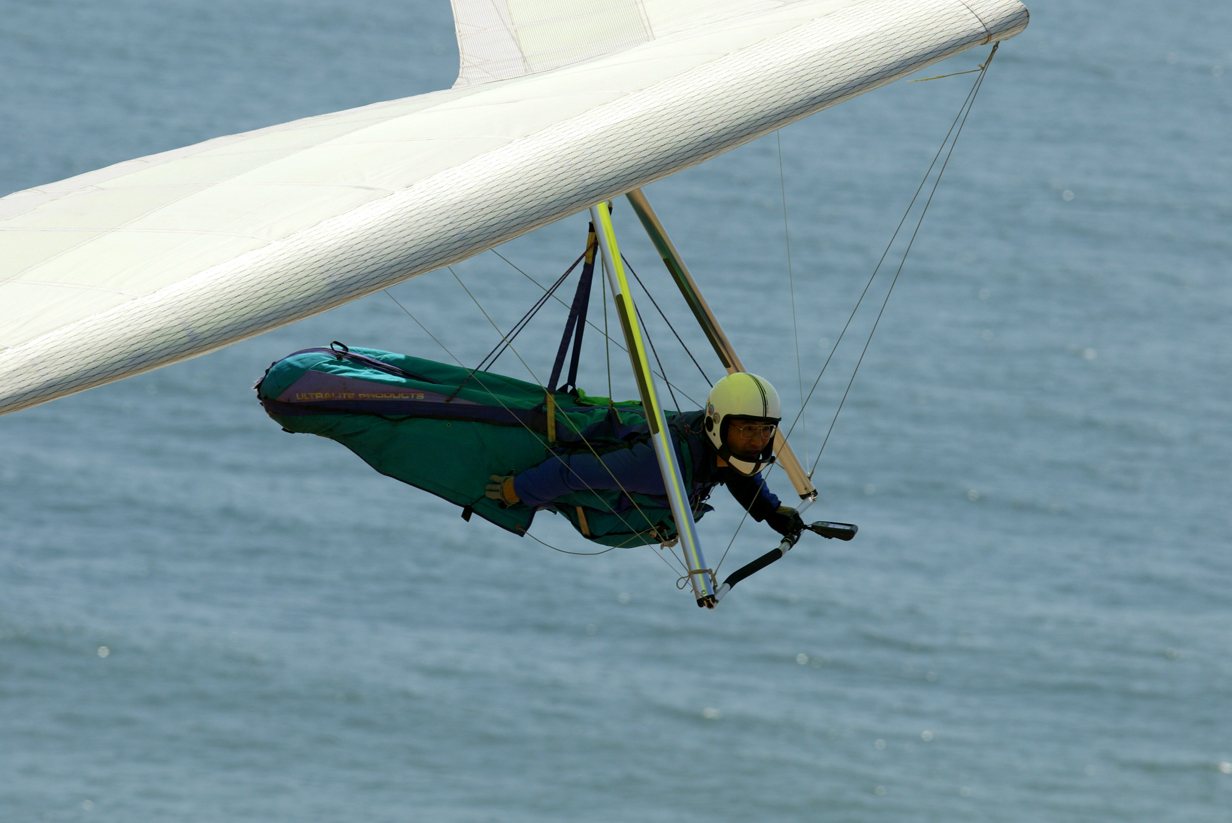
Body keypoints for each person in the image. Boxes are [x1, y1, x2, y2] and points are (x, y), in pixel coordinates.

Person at [484, 372, 804, 538]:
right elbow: (574, 471)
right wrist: (517, 490)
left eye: (766, 430)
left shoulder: (722, 445)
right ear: (716, 423)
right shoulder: (659, 465)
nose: (757, 441)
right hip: (588, 465)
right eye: (747, 429)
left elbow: (738, 472)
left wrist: (771, 511)